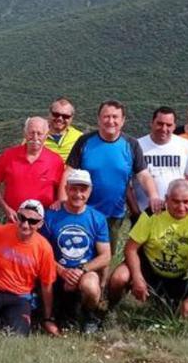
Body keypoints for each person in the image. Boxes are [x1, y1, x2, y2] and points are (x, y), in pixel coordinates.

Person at [107, 180, 188, 318]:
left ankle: (172, 299)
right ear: (166, 199)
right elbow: (131, 249)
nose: (181, 207)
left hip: (180, 275)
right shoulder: (152, 213)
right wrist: (138, 278)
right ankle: (108, 308)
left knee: (177, 313)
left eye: (186, 202)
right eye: (176, 201)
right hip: (148, 267)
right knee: (119, 278)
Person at [65, 100, 160, 253]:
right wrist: (63, 201)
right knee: (78, 254)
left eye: (115, 117)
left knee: (106, 258)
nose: (111, 121)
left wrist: (153, 195)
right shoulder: (85, 141)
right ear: (98, 119)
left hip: (113, 215)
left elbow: (143, 175)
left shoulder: (131, 144)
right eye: (106, 116)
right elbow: (69, 172)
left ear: (123, 121)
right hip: (82, 211)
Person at [0, 200, 60, 337]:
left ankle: (1, 317)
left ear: (40, 224)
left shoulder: (44, 248)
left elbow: (47, 285)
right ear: (17, 216)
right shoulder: (0, 231)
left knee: (19, 335)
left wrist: (47, 318)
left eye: (32, 221)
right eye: (22, 218)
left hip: (20, 297)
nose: (25, 225)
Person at [41, 170, 111, 331]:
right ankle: (55, 314)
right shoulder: (51, 216)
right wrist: (62, 271)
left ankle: (89, 315)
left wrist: (80, 270)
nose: (78, 194)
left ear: (90, 191)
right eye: (74, 189)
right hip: (56, 271)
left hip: (84, 271)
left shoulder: (97, 218)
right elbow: (42, 252)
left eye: (83, 189)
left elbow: (106, 256)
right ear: (66, 189)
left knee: (91, 286)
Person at [129, 107, 188, 218]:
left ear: (174, 126)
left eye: (168, 125)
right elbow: (126, 183)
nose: (164, 129)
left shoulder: (185, 146)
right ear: (151, 123)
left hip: (178, 214)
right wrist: (135, 212)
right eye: (160, 124)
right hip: (145, 214)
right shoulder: (136, 146)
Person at [0, 117, 65, 222]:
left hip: (44, 223)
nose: (35, 137)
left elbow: (63, 190)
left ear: (46, 135)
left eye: (39, 134)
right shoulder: (8, 155)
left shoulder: (56, 160)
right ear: (25, 134)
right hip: (14, 220)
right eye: (31, 133)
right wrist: (5, 208)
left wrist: (58, 202)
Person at [45, 97, 83, 162]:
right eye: (56, 114)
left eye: (65, 116)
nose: (60, 119)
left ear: (71, 118)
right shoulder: (36, 135)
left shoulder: (80, 138)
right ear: (49, 114)